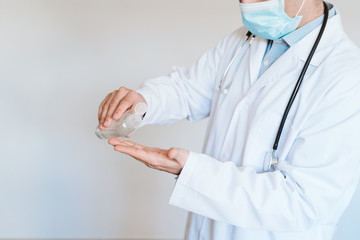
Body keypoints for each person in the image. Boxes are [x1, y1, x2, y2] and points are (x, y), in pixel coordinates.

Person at [97, 0, 360, 239]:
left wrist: (192, 171)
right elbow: (189, 90)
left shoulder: (346, 75)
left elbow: (303, 201)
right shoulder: (244, 40)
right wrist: (144, 101)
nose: (245, 3)